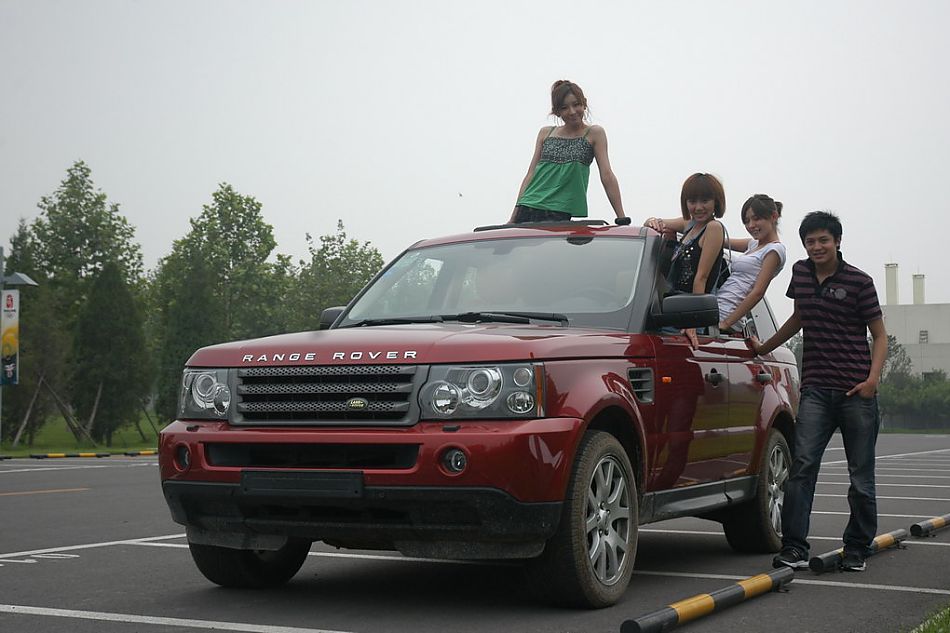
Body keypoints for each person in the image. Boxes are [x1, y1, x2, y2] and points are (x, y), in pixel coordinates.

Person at [751, 211, 887, 572]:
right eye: (810, 241)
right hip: (815, 390)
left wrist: (872, 381)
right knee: (802, 468)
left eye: (823, 240)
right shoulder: (800, 273)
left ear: (837, 241)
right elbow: (800, 317)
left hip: (856, 392)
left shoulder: (860, 281)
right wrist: (765, 347)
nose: (817, 247)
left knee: (860, 475)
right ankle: (795, 546)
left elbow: (880, 335)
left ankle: (857, 547)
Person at [510, 80, 627, 223]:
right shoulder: (546, 133)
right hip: (528, 206)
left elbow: (607, 175)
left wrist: (621, 217)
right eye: (565, 107)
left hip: (560, 210)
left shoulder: (594, 133)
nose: (572, 111)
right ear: (557, 112)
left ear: (584, 104)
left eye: (576, 104)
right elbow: (531, 175)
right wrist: (513, 216)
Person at [643, 173, 728, 345]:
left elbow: (701, 277)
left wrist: (692, 323)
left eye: (705, 201)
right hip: (669, 312)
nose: (698, 207)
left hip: (690, 317)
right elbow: (654, 223)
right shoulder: (689, 224)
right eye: (692, 201)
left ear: (716, 202)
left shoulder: (713, 228)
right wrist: (651, 221)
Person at [716, 194, 787, 333]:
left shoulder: (774, 250)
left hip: (726, 315)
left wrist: (726, 323)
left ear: (773, 216)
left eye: (756, 219)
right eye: (747, 221)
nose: (751, 225)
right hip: (717, 309)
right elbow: (718, 239)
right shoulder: (753, 244)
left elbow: (758, 292)